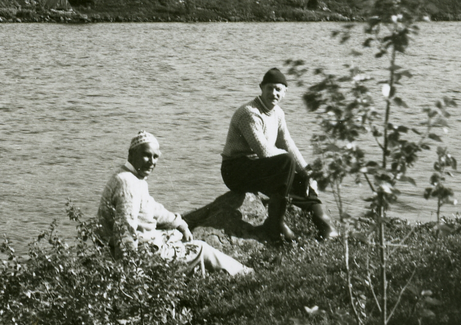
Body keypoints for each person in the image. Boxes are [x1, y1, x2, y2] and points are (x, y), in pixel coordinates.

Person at [98, 131, 252, 276]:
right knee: (200, 248)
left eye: (156, 157)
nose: (152, 162)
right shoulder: (128, 185)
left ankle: (200, 278)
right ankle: (245, 274)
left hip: (139, 245)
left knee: (177, 235)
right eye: (146, 156)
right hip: (138, 256)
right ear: (131, 154)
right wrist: (129, 274)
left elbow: (152, 207)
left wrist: (179, 223)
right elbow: (124, 232)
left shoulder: (130, 176)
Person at [221, 68, 339, 242]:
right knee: (286, 162)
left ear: (285, 92)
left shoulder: (278, 113)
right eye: (270, 88)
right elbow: (264, 151)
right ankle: (275, 223)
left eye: (278, 89)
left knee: (302, 181)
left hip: (261, 169)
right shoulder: (249, 113)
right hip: (236, 170)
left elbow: (288, 144)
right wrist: (289, 161)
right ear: (261, 88)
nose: (274, 93)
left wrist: (308, 173)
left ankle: (326, 227)